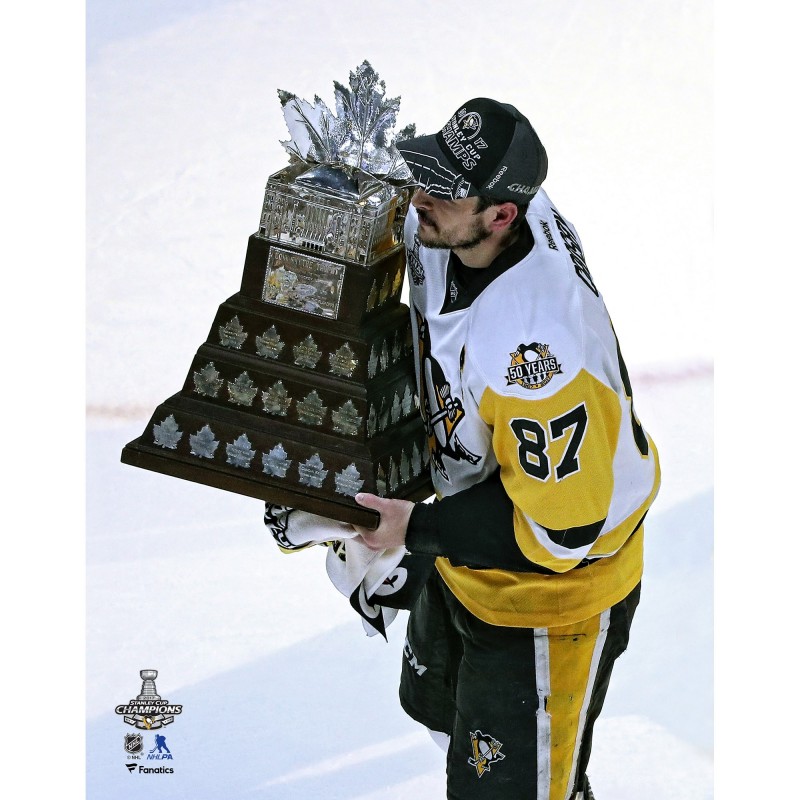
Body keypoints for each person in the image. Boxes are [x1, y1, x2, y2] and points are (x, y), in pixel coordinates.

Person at [266, 97, 660, 800]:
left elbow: (564, 530)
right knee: (444, 723)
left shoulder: (535, 353)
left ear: (500, 215)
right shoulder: (478, 224)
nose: (420, 197)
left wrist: (414, 528)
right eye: (428, 173)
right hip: (469, 549)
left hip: (550, 601)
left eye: (443, 191)